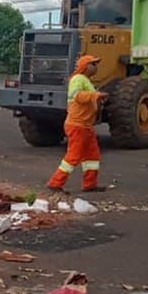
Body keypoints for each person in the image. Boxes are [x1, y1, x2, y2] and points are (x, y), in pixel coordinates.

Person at [47, 55, 108, 193]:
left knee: (92, 157)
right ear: (85, 66)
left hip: (86, 126)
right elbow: (77, 96)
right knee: (73, 156)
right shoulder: (78, 79)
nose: (96, 67)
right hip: (78, 125)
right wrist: (95, 96)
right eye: (93, 64)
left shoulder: (85, 81)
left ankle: (90, 184)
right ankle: (55, 183)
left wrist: (98, 99)